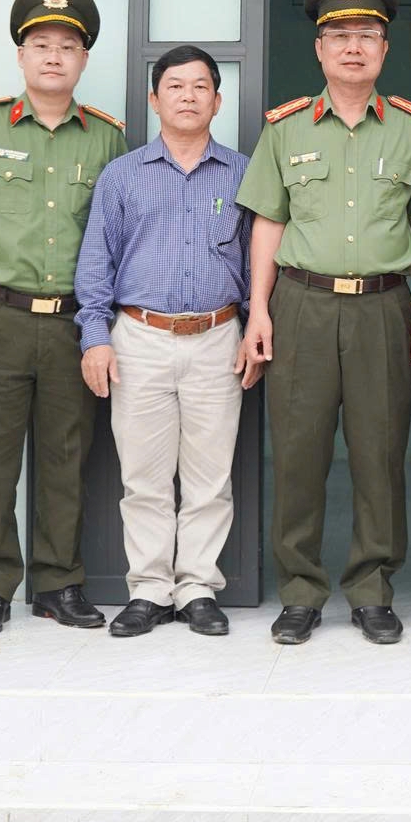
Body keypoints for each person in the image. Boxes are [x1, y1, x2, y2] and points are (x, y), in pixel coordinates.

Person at [238, 0, 411, 646]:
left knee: (378, 453)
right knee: (297, 452)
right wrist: (259, 309)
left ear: (384, 49)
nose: (353, 46)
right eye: (340, 35)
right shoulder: (285, 128)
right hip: (299, 304)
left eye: (366, 35)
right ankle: (300, 589)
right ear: (320, 50)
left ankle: (371, 587)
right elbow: (267, 222)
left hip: (384, 309)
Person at [0, 0, 127, 640]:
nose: (52, 56)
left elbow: (118, 232)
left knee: (66, 456)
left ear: (83, 59)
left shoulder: (105, 138)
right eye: (40, 44)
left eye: (66, 46)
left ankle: (59, 583)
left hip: (75, 320)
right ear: (21, 55)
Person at [75, 46, 258, 640]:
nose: (187, 96)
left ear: (217, 100)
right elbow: (96, 263)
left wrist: (254, 328)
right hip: (140, 338)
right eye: (174, 86)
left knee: (210, 475)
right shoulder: (122, 175)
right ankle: (150, 589)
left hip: (217, 336)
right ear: (154, 100)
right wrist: (95, 338)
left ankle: (198, 587)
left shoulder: (243, 173)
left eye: (200, 87)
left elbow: (261, 263)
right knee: (145, 476)